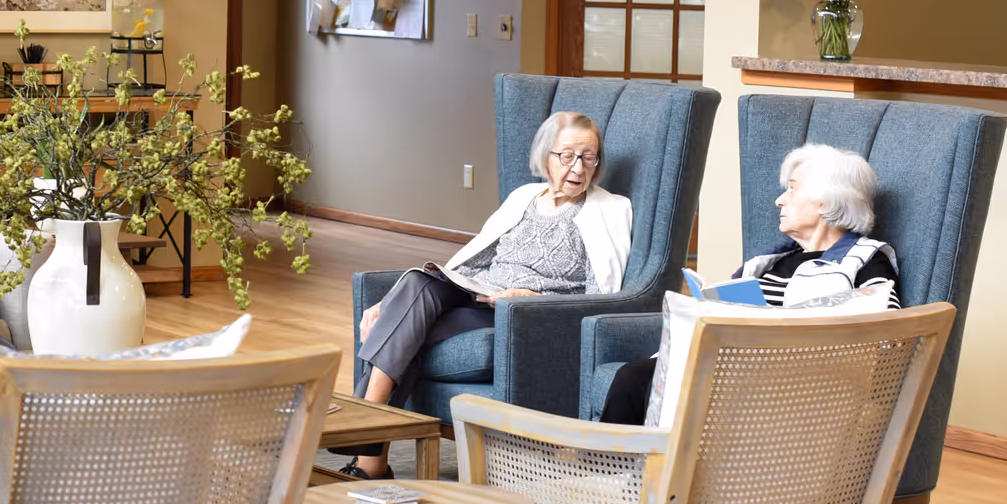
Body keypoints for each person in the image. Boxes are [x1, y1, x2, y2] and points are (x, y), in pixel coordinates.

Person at [341, 111, 634, 479]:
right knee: (416, 286)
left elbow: (600, 297)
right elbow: (467, 264)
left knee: (404, 330)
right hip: (478, 298)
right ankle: (370, 448)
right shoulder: (523, 197)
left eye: (589, 157)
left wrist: (532, 299)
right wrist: (390, 301)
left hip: (522, 317)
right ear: (546, 155)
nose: (578, 167)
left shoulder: (610, 210)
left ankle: (368, 448)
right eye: (568, 155)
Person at [598, 142, 901, 426]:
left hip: (798, 383)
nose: (779, 200)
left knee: (640, 380)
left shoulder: (865, 260)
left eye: (792, 191)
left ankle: (635, 475)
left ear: (825, 202)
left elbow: (890, 338)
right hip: (733, 366)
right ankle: (611, 474)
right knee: (634, 377)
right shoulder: (766, 263)